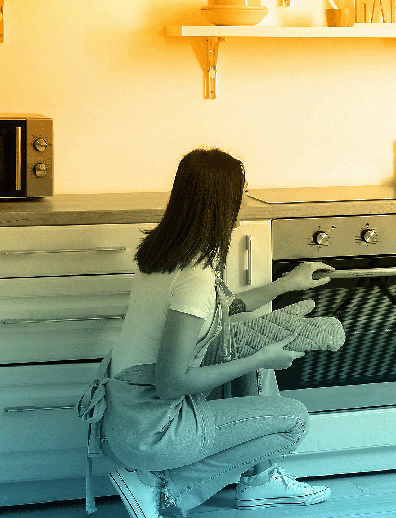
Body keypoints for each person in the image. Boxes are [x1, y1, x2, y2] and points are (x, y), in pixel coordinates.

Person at [80, 148, 334, 518]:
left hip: (124, 414)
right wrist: (264, 359)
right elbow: (171, 383)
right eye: (239, 198)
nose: (241, 207)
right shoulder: (195, 278)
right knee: (294, 420)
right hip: (152, 431)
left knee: (247, 342)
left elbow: (222, 312)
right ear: (221, 205)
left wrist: (287, 283)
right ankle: (162, 488)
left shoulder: (165, 254)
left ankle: (259, 483)